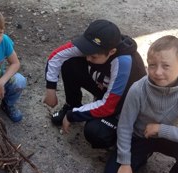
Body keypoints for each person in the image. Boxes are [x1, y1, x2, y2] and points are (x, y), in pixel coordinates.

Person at [103, 35, 178, 173]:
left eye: (166, 66)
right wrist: (125, 161)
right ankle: (140, 156)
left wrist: (161, 129)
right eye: (152, 64)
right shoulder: (138, 89)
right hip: (140, 136)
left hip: (167, 137)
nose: (157, 72)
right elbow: (124, 126)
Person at [44, 19, 146, 149]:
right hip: (104, 88)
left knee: (95, 132)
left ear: (111, 52)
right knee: (69, 62)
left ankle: (120, 140)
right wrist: (51, 89)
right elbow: (56, 56)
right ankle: (72, 104)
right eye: (86, 52)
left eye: (93, 57)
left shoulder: (123, 62)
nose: (87, 58)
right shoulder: (92, 46)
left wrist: (73, 115)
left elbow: (109, 105)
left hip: (123, 104)